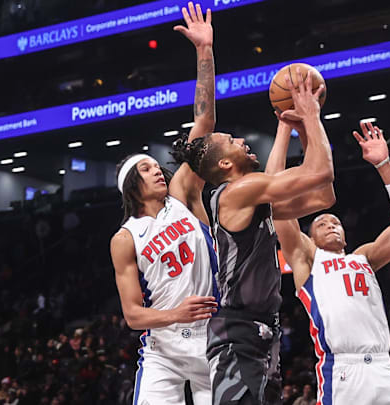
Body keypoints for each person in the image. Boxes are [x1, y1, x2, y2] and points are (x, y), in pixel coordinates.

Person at [171, 68, 333, 404]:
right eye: (233, 141)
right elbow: (321, 171)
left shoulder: (251, 200)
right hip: (239, 332)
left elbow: (323, 196)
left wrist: (297, 129)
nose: (243, 141)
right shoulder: (235, 192)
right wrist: (311, 116)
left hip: (260, 332)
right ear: (227, 165)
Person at [109, 3, 218, 404]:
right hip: (163, 349)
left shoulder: (183, 194)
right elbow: (134, 316)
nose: (160, 171)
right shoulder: (125, 238)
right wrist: (175, 314)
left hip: (213, 336)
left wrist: (204, 53)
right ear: (132, 186)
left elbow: (203, 126)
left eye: (159, 166)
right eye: (149, 169)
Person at [268, 121, 390, 404]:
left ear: (346, 235)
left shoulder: (364, 257)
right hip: (342, 369)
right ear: (309, 237)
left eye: (336, 222)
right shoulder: (308, 258)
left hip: (383, 368)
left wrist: (384, 165)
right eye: (322, 222)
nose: (331, 224)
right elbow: (272, 201)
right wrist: (285, 130)